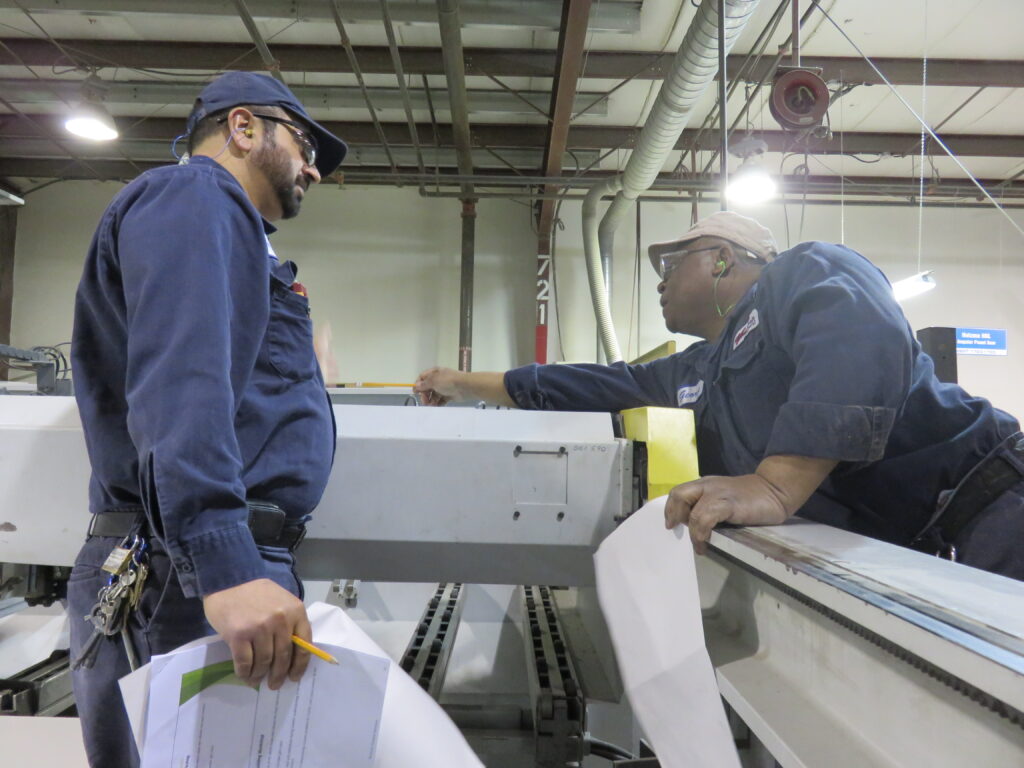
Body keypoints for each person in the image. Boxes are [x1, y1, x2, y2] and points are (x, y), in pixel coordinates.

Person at [414, 211, 1024, 580]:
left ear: (722, 260)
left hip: (994, 499)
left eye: (670, 266)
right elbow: (588, 385)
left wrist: (777, 482)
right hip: (922, 540)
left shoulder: (804, 274)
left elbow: (858, 338)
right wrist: (461, 383)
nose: (659, 285)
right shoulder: (699, 369)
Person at [68, 71, 347, 767]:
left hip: (204, 569)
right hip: (187, 576)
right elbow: (181, 383)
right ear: (244, 128)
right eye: (305, 142)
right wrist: (224, 561)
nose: (314, 167)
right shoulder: (197, 195)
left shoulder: (236, 234)